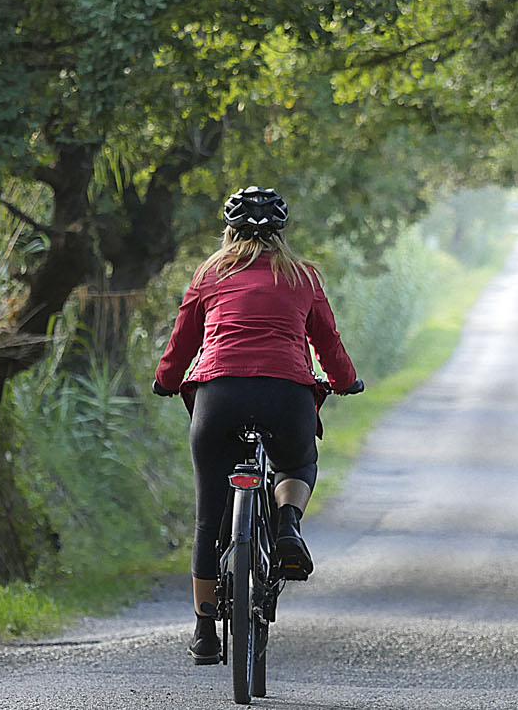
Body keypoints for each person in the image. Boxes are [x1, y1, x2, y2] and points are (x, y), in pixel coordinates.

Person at [152, 185, 361, 665]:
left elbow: (182, 341)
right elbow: (328, 342)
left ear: (229, 230)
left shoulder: (210, 273)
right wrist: (345, 381)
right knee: (299, 462)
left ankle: (205, 632)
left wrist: (166, 381)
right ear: (282, 233)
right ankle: (287, 523)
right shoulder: (302, 275)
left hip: (218, 396)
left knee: (209, 517)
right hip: (287, 394)